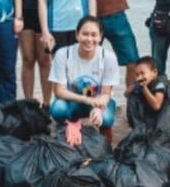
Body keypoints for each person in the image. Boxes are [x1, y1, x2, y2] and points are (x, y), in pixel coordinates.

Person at [48, 15, 118, 146]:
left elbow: (106, 93)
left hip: (99, 101)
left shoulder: (108, 57)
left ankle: (105, 138)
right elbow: (59, 91)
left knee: (107, 119)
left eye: (94, 35)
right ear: (77, 35)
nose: (89, 39)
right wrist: (88, 100)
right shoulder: (63, 54)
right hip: (73, 101)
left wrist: (98, 108)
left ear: (100, 36)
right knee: (58, 109)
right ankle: (69, 127)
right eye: (85, 34)